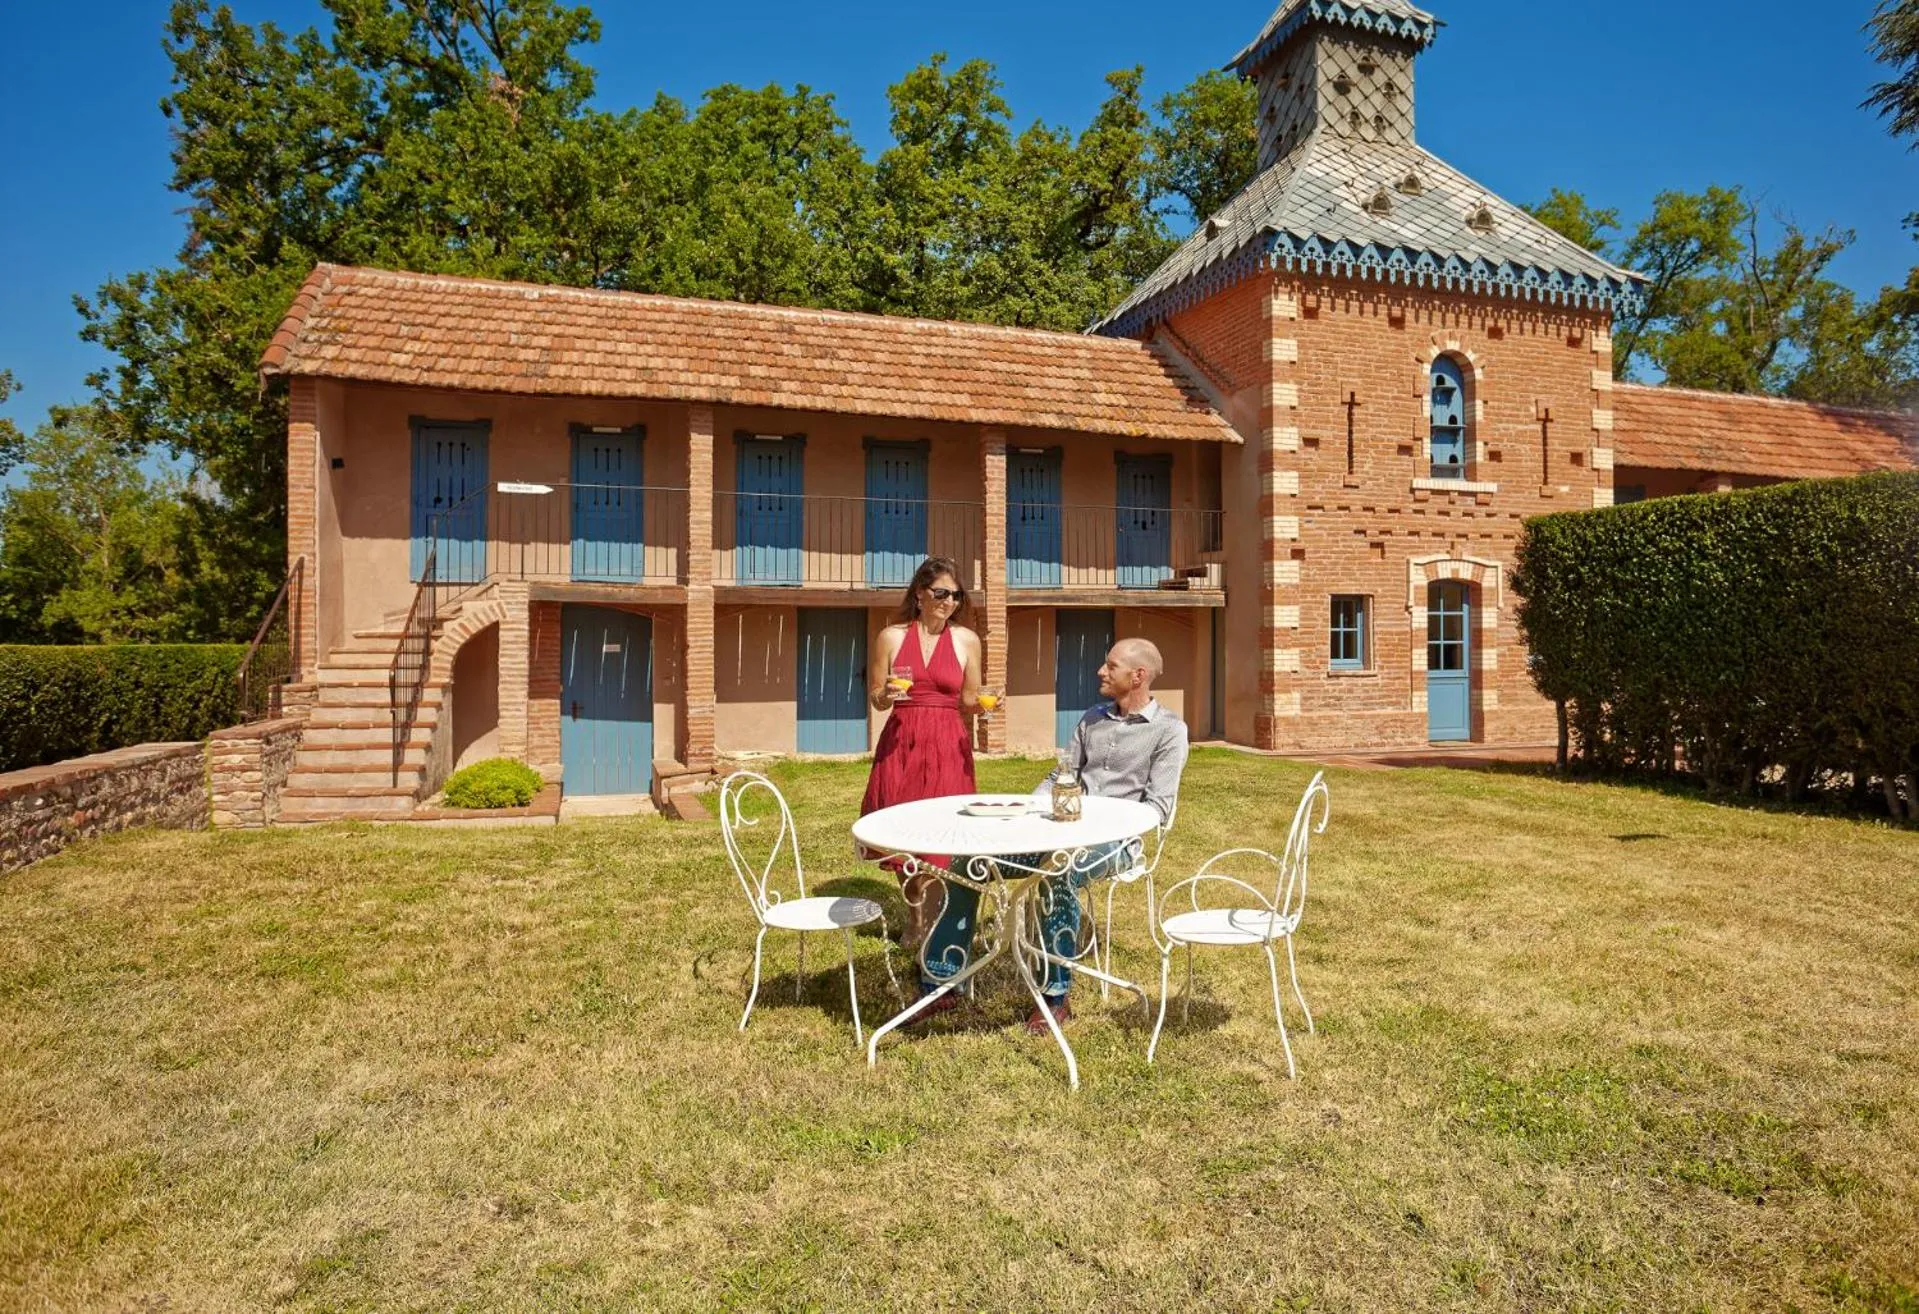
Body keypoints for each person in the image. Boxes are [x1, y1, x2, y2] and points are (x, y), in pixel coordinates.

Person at [919, 636, 1188, 1033]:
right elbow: (1060, 776)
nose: (1101, 671)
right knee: (970, 862)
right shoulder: (1092, 718)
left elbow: (1157, 809)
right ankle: (942, 983)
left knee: (1057, 870)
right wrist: (1027, 813)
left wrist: (1098, 824)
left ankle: (1053, 997)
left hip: (1117, 843)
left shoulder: (1168, 730)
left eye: (1111, 666)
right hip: (1058, 832)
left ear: (1138, 676)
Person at [860, 557, 984, 948]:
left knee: (945, 830)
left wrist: (986, 704)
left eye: (956, 596)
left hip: (949, 739)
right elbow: (878, 698)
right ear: (919, 594)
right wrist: (886, 694)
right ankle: (915, 914)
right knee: (901, 828)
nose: (949, 602)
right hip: (904, 737)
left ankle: (933, 916)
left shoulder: (967, 641)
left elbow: (968, 699)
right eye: (941, 593)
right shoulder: (891, 637)